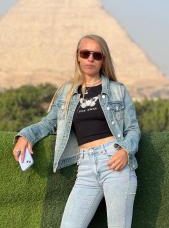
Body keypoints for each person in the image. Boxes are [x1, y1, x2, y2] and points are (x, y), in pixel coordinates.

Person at [13, 34, 141, 228]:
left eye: (96, 55)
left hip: (115, 163)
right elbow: (49, 123)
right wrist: (26, 135)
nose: (90, 58)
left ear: (103, 60)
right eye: (85, 53)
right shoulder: (66, 92)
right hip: (86, 166)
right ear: (78, 57)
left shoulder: (118, 90)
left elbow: (132, 129)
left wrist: (125, 151)